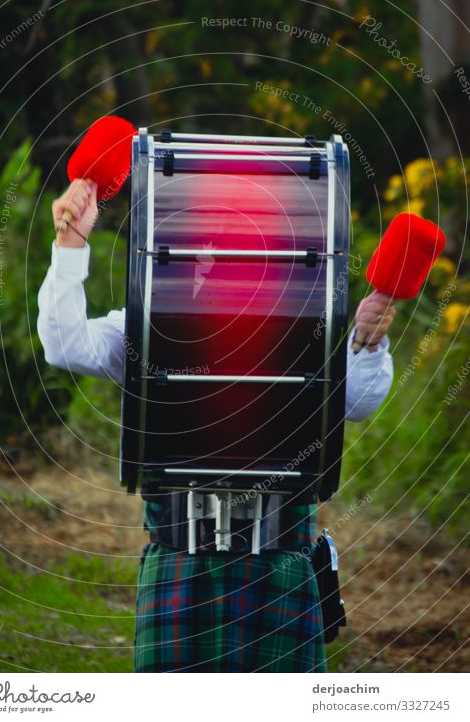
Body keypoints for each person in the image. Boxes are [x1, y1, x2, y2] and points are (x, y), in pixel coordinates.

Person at [37, 178, 396, 673]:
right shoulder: (150, 324)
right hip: (180, 561)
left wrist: (368, 342)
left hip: (281, 562)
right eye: (211, 244)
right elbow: (64, 344)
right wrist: (71, 245)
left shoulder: (308, 326)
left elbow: (356, 400)